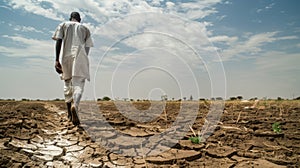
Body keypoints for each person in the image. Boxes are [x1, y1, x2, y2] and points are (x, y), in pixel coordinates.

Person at [52, 12, 93, 126]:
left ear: (70, 18)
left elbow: (59, 40)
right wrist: (84, 58)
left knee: (67, 83)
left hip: (66, 57)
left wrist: (56, 60)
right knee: (78, 84)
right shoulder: (85, 28)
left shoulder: (64, 25)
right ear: (79, 19)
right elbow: (88, 47)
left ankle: (69, 113)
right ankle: (76, 105)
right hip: (80, 56)